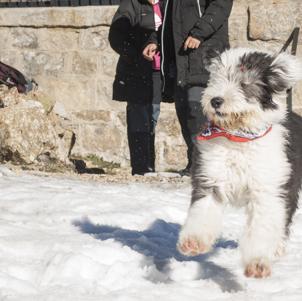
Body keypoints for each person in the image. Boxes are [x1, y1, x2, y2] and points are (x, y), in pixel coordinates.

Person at [143, 0, 233, 176]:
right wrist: (155, 41)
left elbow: (221, 6)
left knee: (197, 112)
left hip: (204, 57)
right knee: (184, 112)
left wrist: (199, 33)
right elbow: (170, 23)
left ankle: (207, 165)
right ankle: (196, 163)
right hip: (181, 63)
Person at [109, 0, 164, 175]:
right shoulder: (131, 5)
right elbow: (116, 36)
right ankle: (141, 167)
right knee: (139, 117)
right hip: (137, 72)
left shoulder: (169, 4)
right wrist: (136, 56)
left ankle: (149, 165)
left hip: (160, 72)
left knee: (152, 117)